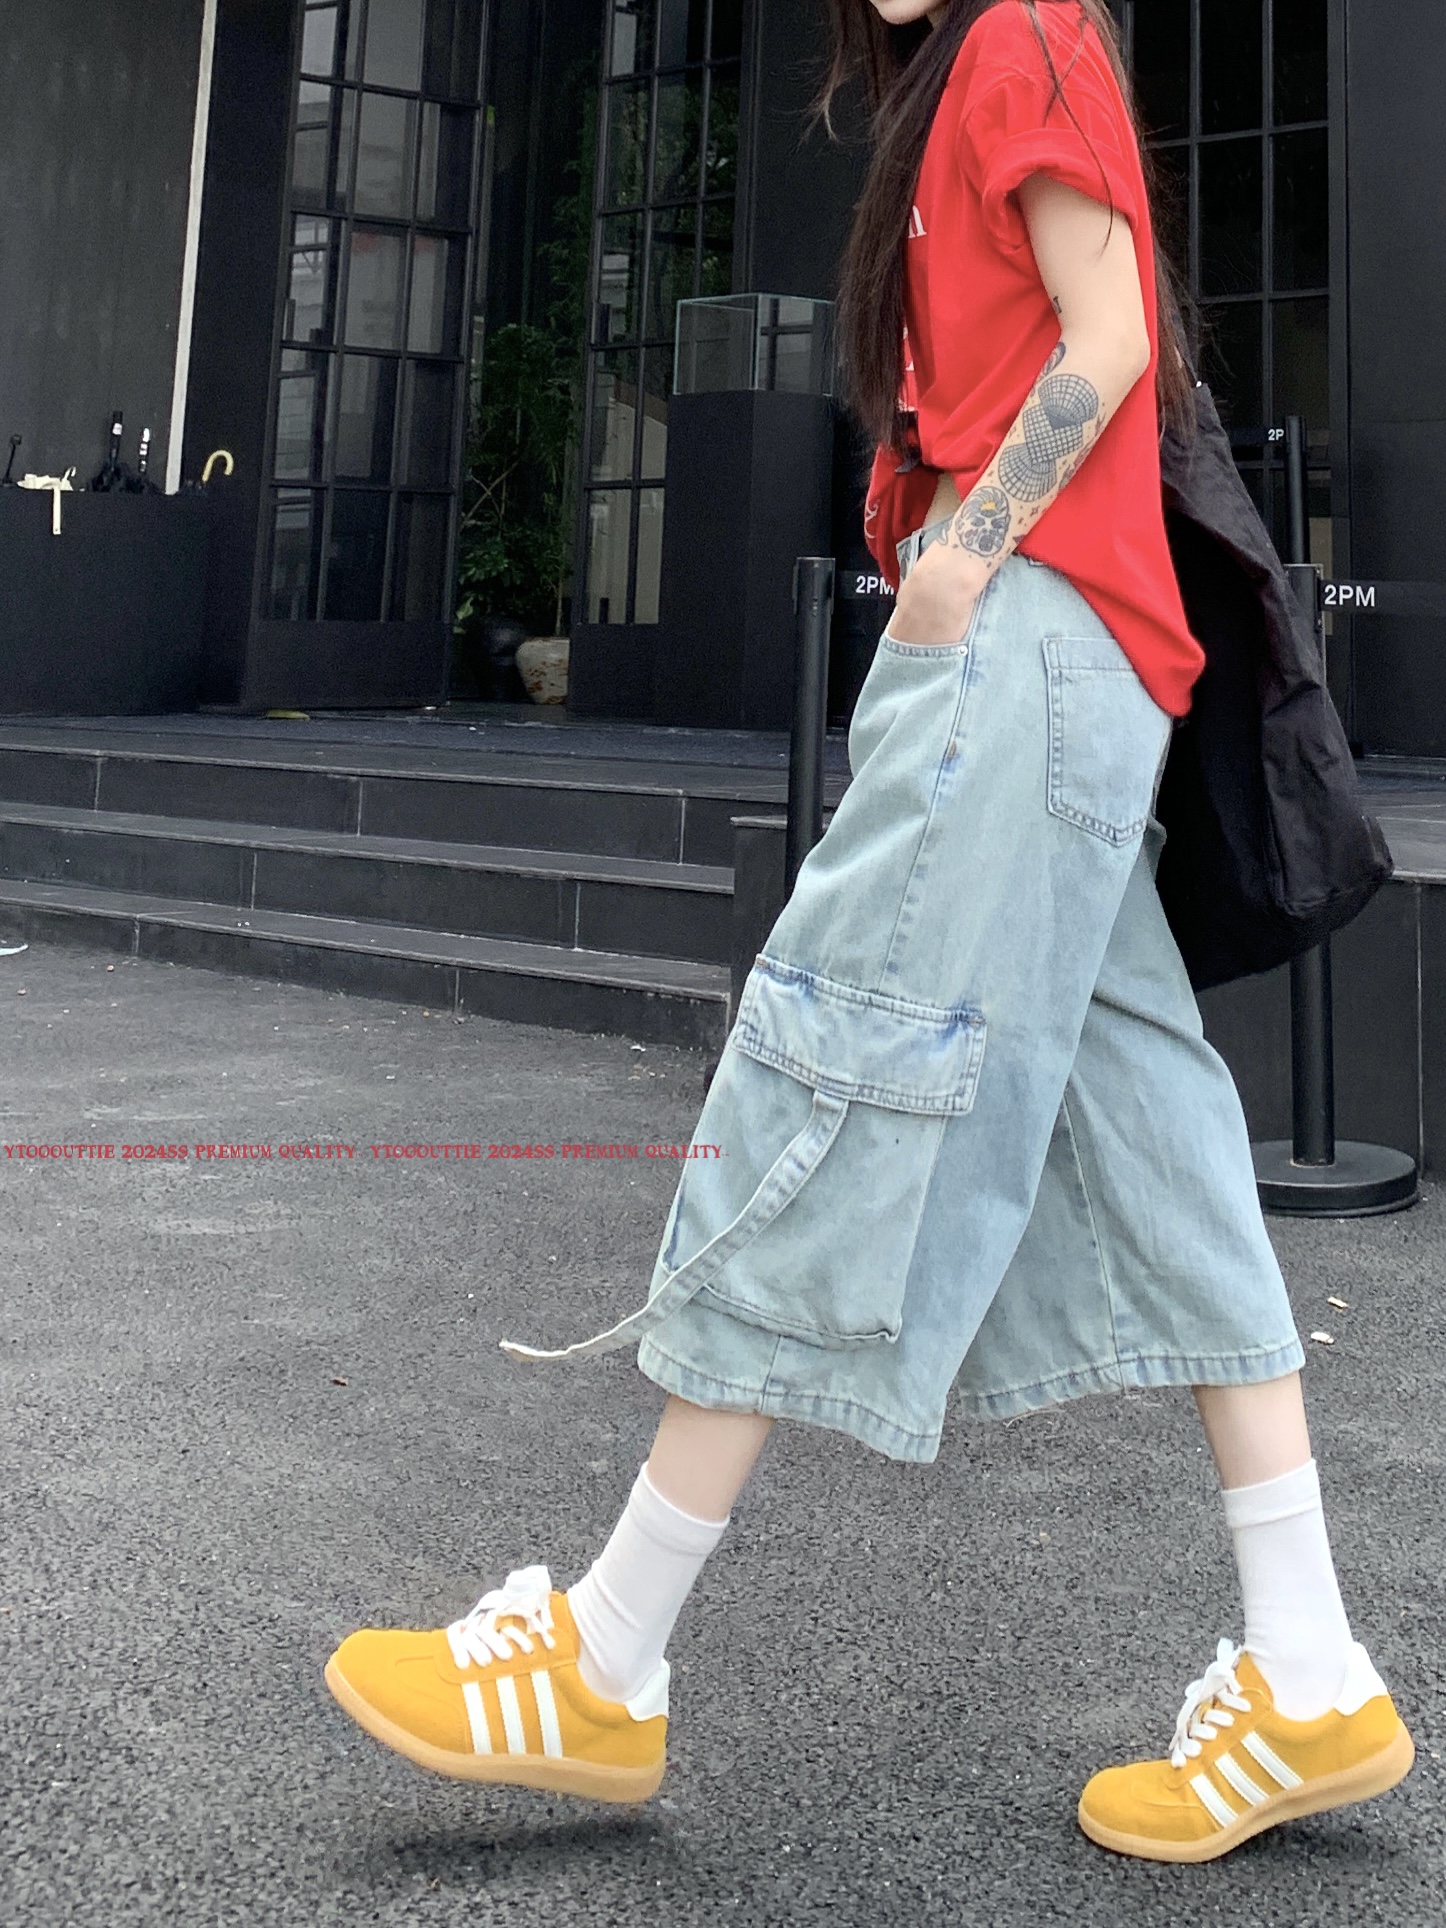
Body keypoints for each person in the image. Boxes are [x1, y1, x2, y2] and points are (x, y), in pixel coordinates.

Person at [324, 0, 1414, 1862]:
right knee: (1151, 1137)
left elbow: (1109, 334)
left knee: (823, 1062)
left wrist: (962, 557)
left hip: (1022, 647)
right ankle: (1307, 1668)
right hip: (1072, 670)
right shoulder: (981, 68)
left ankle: (607, 1651)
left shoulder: (1020, 34)